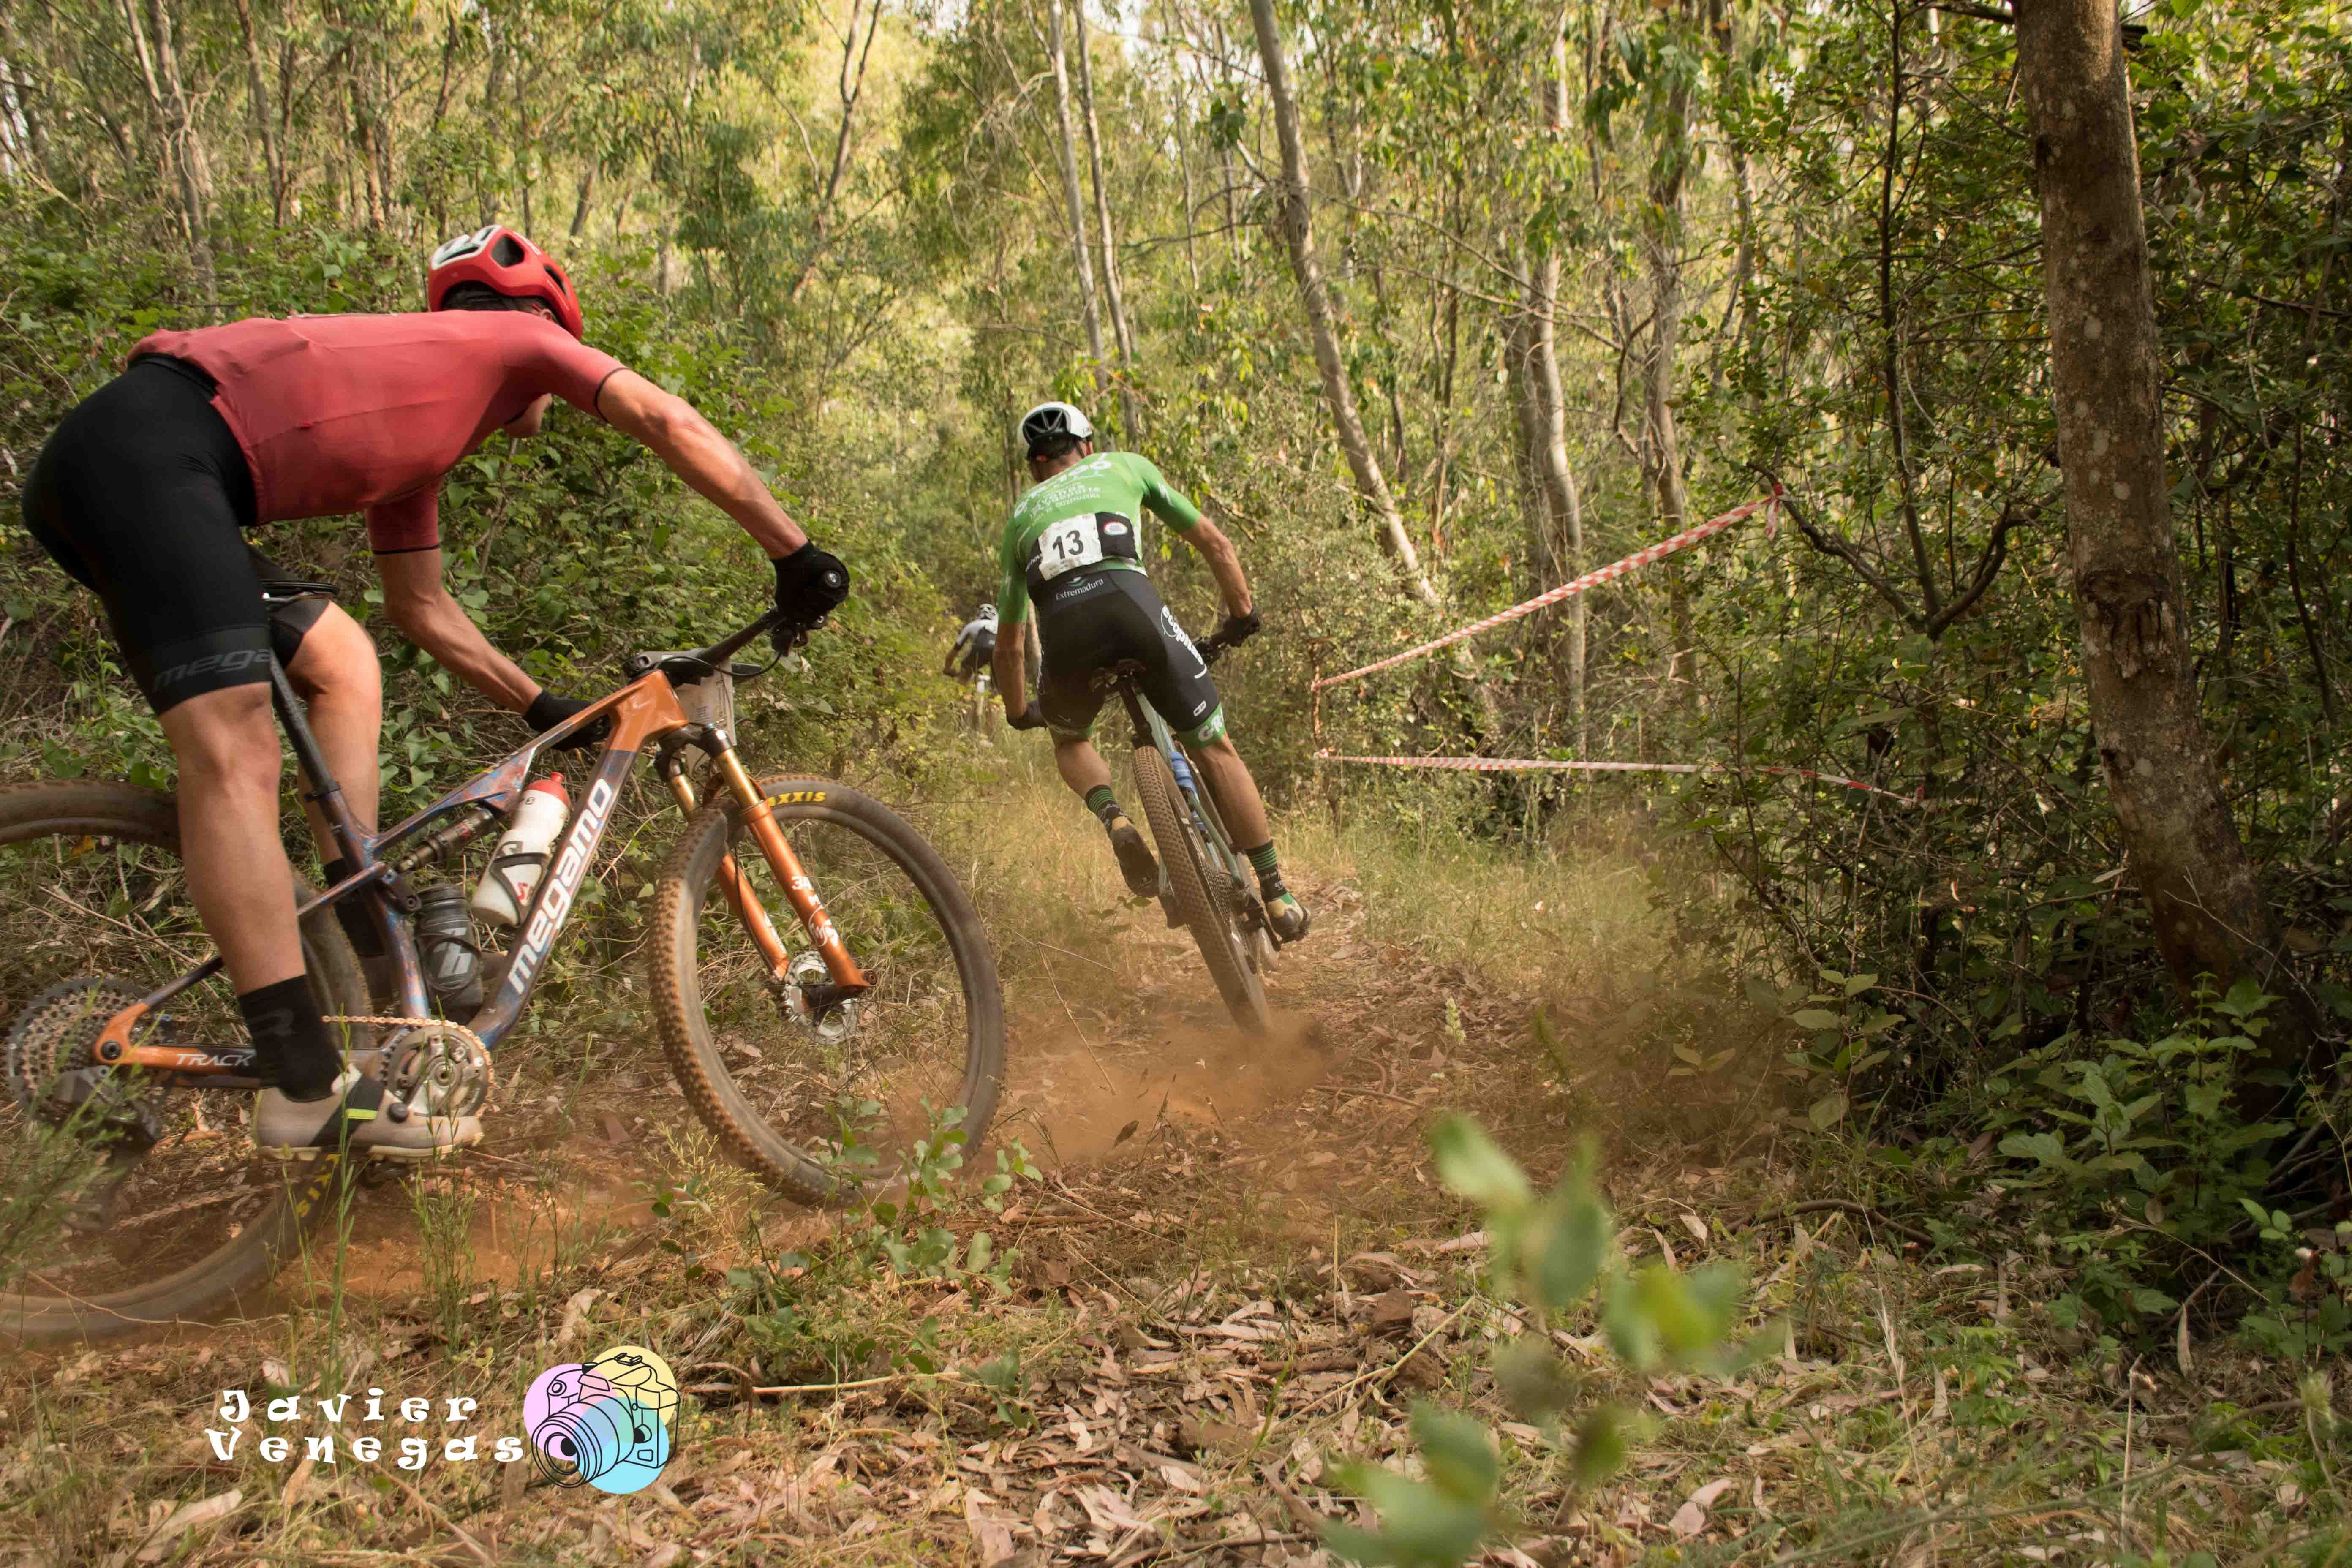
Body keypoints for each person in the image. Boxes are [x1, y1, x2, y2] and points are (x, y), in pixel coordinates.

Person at [19, 224, 851, 1162]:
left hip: (137, 461)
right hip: (151, 456)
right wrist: (795, 553)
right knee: (234, 749)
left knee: (344, 661)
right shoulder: (517, 339)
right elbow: (666, 421)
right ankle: (302, 1084)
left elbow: (419, 608)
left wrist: (543, 708)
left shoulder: (420, 432)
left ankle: (366, 936)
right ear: (549, 324)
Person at [990, 402, 1309, 943]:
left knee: (1070, 740)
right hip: (1131, 607)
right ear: (1087, 446)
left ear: (1035, 467)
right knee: (1215, 748)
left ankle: (1114, 816)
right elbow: (1215, 544)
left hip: (1065, 633)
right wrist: (1241, 615)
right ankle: (1277, 894)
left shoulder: (1022, 515)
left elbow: (1011, 642)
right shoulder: (1124, 465)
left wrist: (1019, 711)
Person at [944, 604, 999, 682]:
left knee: (966, 668)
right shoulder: (1001, 626)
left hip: (980, 650)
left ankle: (963, 685)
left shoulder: (973, 625)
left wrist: (947, 669)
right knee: (1000, 679)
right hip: (1000, 652)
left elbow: (955, 651)